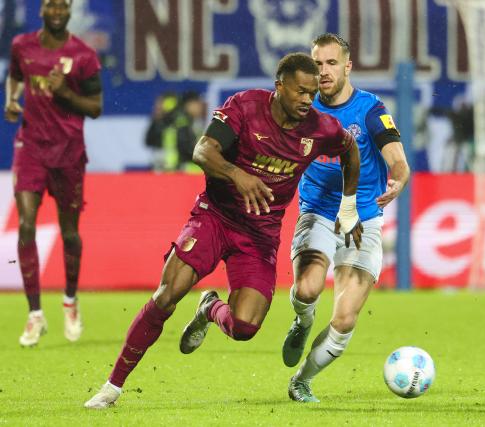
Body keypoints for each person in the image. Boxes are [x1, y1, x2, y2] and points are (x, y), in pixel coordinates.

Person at [84, 52, 362, 409]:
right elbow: (203, 150)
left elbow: (349, 150)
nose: (308, 100)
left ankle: (209, 307)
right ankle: (112, 387)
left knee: (245, 327)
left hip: (259, 236)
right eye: (300, 92)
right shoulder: (245, 107)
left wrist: (349, 205)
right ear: (279, 87)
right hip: (214, 217)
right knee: (168, 294)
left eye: (312, 93)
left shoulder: (320, 128)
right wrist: (237, 175)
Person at [282, 33, 410, 403]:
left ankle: (301, 380)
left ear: (347, 66)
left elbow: (398, 159)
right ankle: (302, 322)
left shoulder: (370, 110)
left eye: (331, 63)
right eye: (317, 64)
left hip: (364, 219)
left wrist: (398, 179)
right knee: (306, 291)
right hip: (318, 212)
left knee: (344, 319)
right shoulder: (300, 110)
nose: (323, 71)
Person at [3, 0, 103, 347]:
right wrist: (11, 100)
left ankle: (70, 301)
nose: (57, 10)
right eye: (51, 4)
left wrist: (64, 93)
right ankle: (35, 314)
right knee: (26, 224)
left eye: (63, 5)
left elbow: (96, 107)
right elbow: (14, 77)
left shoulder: (84, 55)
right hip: (29, 147)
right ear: (42, 9)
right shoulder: (22, 46)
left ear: (69, 10)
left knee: (70, 232)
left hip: (68, 153)